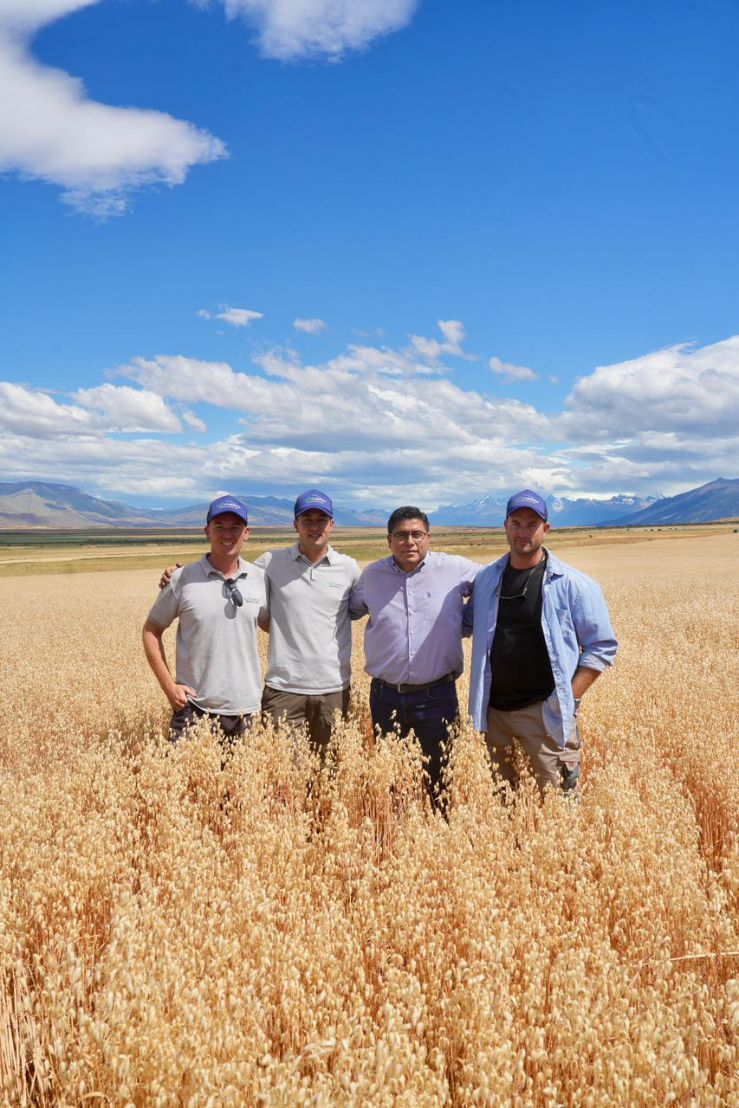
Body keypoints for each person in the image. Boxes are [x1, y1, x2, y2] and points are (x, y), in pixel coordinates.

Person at [466, 489, 617, 795]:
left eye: (532, 524)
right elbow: (465, 623)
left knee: (557, 806)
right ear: (505, 526)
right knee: (503, 805)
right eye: (516, 523)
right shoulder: (486, 580)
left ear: (546, 529)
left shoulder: (573, 585)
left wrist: (567, 699)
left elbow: (601, 646)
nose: (523, 532)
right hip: (494, 716)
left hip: (545, 715)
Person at [349, 506, 479, 799]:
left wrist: (465, 622)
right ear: (389, 540)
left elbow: (492, 584)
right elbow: (351, 609)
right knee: (394, 783)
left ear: (428, 538)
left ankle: (439, 827)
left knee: (440, 781)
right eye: (401, 535)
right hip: (385, 697)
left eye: (417, 534)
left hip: (438, 696)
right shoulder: (372, 576)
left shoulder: (454, 569)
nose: (409, 541)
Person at [143, 495, 268, 745]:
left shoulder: (260, 578)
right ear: (206, 531)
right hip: (194, 709)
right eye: (219, 527)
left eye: (235, 527)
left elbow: (274, 626)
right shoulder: (182, 579)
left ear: (246, 533)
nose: (227, 534)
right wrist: (169, 688)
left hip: (247, 709)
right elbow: (151, 630)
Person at [254, 489, 360, 755]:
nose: (314, 527)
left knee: (330, 772)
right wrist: (180, 573)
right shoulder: (271, 562)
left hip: (334, 690)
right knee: (283, 773)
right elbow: (231, 575)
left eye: (321, 520)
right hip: (283, 690)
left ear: (332, 524)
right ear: (295, 524)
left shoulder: (348, 568)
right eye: (307, 520)